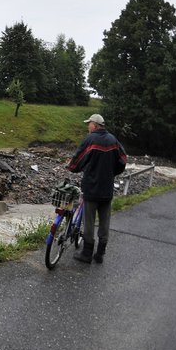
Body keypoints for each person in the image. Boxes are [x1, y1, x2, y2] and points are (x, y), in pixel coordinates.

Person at [66, 113, 127, 263]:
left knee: (89, 221)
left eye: (89, 124)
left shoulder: (90, 140)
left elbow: (78, 160)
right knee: (105, 221)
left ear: (95, 125)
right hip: (107, 189)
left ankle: (86, 254)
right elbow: (123, 160)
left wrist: (71, 167)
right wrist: (112, 173)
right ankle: (100, 254)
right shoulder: (113, 140)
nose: (88, 126)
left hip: (91, 188)